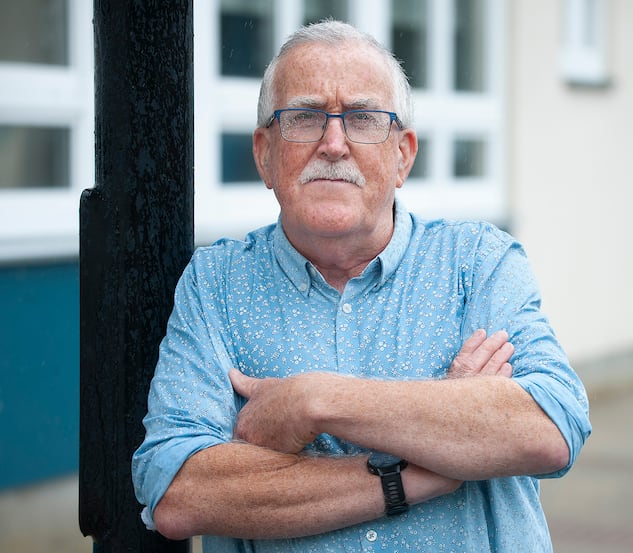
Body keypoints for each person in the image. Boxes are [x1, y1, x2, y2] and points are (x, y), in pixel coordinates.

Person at [132, 19, 591, 552]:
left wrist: (314, 400)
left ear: (403, 154)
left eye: (363, 118)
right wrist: (422, 465)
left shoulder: (478, 263)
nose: (333, 143)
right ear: (264, 154)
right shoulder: (217, 283)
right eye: (303, 117)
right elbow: (177, 490)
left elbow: (549, 427)